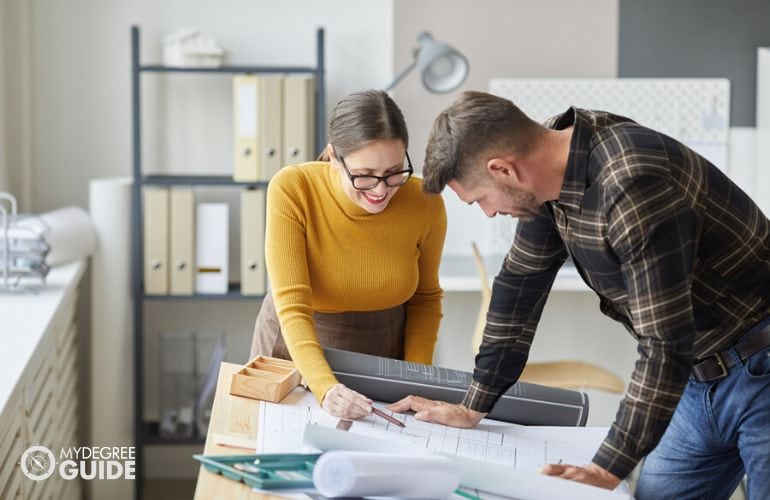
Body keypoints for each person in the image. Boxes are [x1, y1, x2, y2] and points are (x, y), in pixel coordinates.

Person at [388, 91, 770, 498]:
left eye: (480, 198)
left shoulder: (631, 185)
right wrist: (472, 406)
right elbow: (520, 285)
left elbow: (665, 341)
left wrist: (607, 467)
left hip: (760, 365)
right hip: (698, 378)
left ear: (503, 169)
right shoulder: (551, 167)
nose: (488, 212)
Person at [250, 89, 447, 421]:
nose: (381, 190)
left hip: (384, 347)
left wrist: (416, 378)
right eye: (365, 175)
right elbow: (293, 306)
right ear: (333, 157)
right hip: (296, 344)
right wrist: (326, 388)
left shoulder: (424, 202)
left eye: (395, 172)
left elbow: (425, 299)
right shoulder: (293, 189)